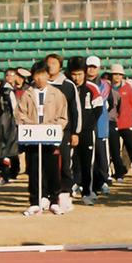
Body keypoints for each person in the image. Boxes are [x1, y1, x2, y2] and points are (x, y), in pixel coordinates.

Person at [16, 60, 69, 215]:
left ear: (48, 75)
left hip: (50, 138)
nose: (39, 78)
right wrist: (30, 125)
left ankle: (54, 200)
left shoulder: (57, 94)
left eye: (42, 74)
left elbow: (63, 116)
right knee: (33, 169)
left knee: (52, 169)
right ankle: (35, 200)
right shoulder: (27, 94)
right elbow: (20, 114)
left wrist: (53, 127)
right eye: (37, 75)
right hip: (32, 138)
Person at [67, 56, 103, 205]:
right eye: (74, 74)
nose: (77, 78)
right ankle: (70, 189)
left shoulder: (91, 88)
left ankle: (87, 191)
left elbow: (98, 109)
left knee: (87, 162)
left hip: (87, 132)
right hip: (70, 132)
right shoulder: (67, 87)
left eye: (80, 74)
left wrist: (87, 126)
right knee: (70, 161)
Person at [46, 54, 81, 193]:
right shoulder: (38, 84)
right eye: (48, 63)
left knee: (64, 162)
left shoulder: (68, 85)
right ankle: (47, 191)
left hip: (63, 131)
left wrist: (75, 132)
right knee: (46, 162)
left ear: (60, 66)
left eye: (54, 63)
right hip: (43, 130)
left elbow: (75, 110)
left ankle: (65, 190)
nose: (51, 66)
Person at [85, 56, 112, 194]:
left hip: (100, 125)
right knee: (85, 156)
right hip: (84, 126)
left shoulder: (105, 85)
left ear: (99, 68)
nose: (91, 69)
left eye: (94, 67)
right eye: (89, 66)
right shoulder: (80, 84)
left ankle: (102, 181)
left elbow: (109, 102)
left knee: (101, 156)